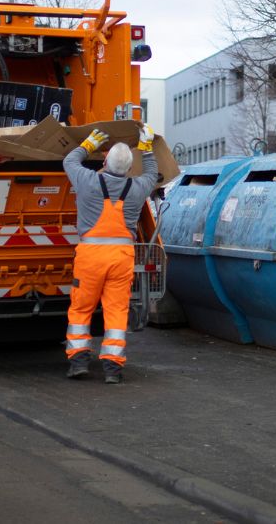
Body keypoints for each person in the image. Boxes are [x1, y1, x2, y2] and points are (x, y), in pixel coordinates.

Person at [62, 124, 158, 384]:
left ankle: (79, 361)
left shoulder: (88, 181)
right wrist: (146, 147)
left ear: (104, 163)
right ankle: (112, 368)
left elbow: (69, 161)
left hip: (90, 256)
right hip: (121, 258)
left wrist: (88, 145)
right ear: (129, 168)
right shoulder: (138, 188)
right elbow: (152, 173)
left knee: (81, 308)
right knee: (116, 311)